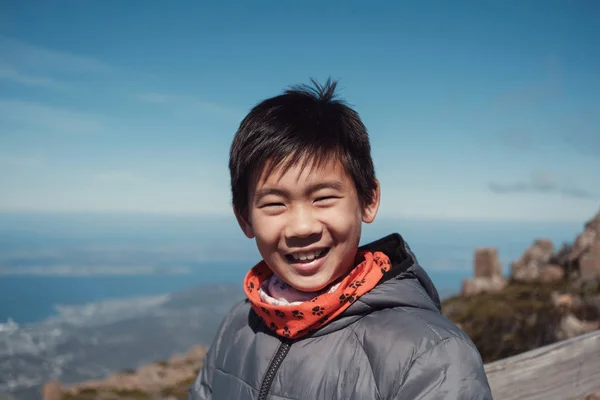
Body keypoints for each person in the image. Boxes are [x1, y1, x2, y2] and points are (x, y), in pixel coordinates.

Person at [189, 79, 493, 400]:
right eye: (275, 204)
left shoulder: (431, 357)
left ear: (368, 200)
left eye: (323, 198)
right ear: (245, 219)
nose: (301, 227)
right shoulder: (239, 324)